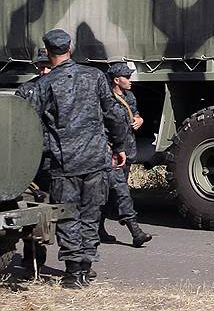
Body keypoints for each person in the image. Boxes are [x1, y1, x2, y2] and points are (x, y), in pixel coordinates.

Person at [26, 29, 128, 289]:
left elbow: (30, 124)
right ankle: (86, 267)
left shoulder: (43, 85)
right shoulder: (95, 76)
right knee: (91, 215)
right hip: (96, 159)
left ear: (47, 52)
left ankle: (73, 273)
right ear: (70, 47)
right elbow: (114, 114)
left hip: (64, 163)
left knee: (69, 216)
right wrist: (119, 146)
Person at [98, 63, 152, 248]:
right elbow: (105, 127)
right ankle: (135, 231)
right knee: (120, 192)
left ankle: (99, 229)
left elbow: (134, 114)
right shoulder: (106, 100)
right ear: (116, 80)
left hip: (127, 150)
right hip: (112, 152)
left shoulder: (129, 96)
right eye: (126, 77)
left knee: (112, 193)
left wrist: (139, 119)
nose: (130, 81)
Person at [15, 48, 52, 277]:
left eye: (48, 65)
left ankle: (75, 264)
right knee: (31, 206)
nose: (44, 70)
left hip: (54, 157)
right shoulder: (26, 90)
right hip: (32, 156)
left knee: (56, 207)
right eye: (41, 66)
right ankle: (32, 260)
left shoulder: (62, 89)